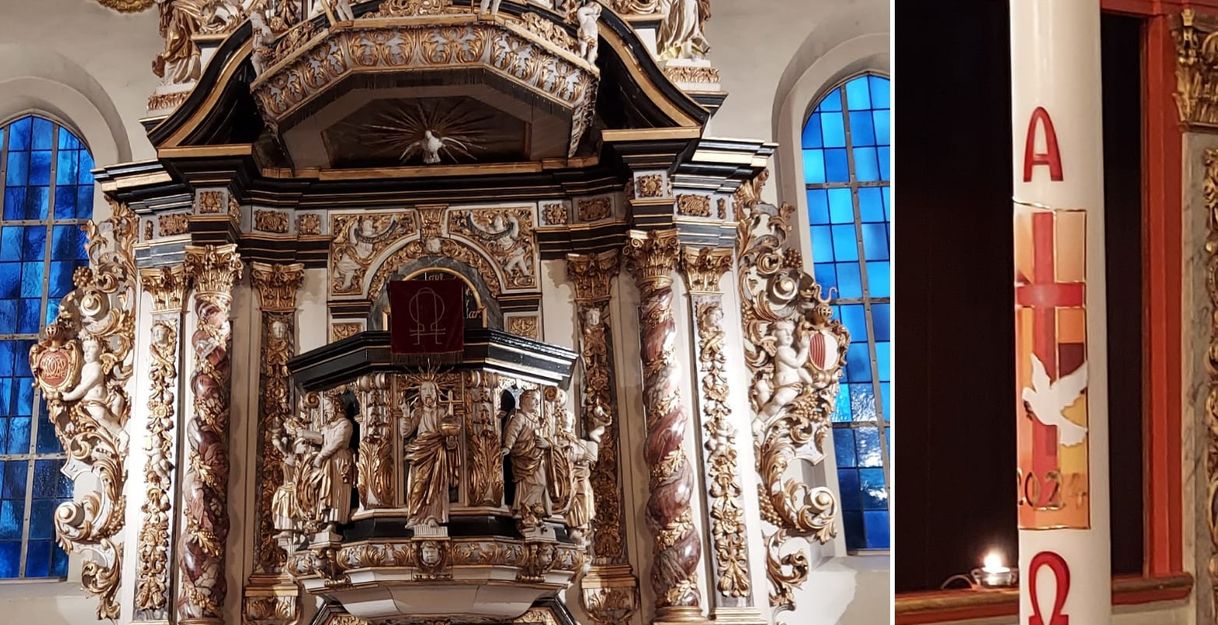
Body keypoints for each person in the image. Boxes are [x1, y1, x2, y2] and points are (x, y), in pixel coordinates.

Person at [402, 381, 458, 530]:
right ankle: (415, 515)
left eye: (431, 389)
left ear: (436, 393)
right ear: (420, 394)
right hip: (420, 452)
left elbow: (449, 435)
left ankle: (433, 516)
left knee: (437, 484)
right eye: (424, 390)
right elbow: (405, 432)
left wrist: (451, 439)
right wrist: (406, 416)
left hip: (438, 451)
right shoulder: (418, 412)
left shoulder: (442, 412)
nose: (428, 393)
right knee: (418, 484)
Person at [502, 390, 550, 528]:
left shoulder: (538, 421)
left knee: (542, 483)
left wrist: (547, 444)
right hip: (523, 457)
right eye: (534, 399)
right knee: (531, 483)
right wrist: (508, 447)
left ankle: (533, 509)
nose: (537, 402)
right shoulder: (520, 418)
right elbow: (512, 433)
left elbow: (547, 438)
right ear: (524, 400)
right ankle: (525, 508)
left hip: (537, 457)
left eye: (538, 400)